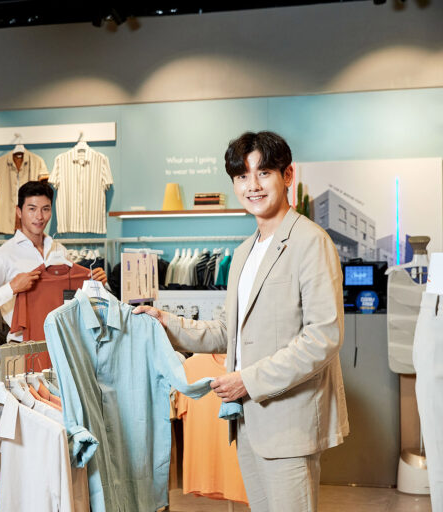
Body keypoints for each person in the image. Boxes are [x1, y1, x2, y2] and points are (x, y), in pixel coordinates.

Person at [135, 131, 348, 512]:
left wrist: (248, 380)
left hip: (289, 423)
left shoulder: (310, 242)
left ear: (287, 175)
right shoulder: (245, 252)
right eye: (242, 176)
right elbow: (226, 331)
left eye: (263, 173)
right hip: (247, 420)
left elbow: (323, 336)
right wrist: (164, 321)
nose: (253, 186)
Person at [0, 180, 106, 340]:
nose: (39, 216)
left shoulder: (60, 250)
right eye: (32, 209)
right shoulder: (1, 256)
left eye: (45, 209)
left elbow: (72, 298)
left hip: (63, 341)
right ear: (19, 211)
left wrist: (94, 285)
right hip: (24, 345)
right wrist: (12, 288)